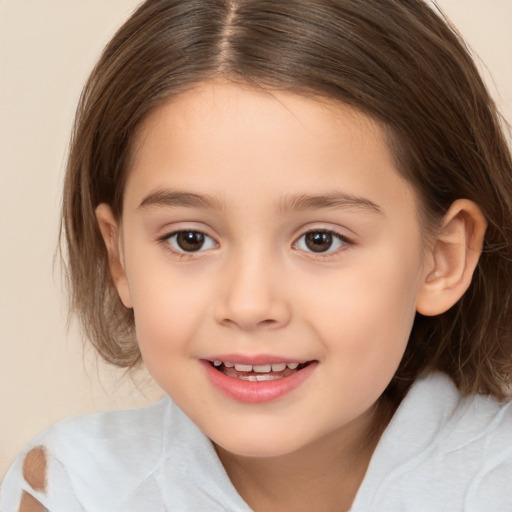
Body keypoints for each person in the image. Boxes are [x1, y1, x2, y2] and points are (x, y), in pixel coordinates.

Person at [1, 0, 511, 510]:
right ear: (119, 258)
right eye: (190, 239)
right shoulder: (72, 489)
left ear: (442, 258)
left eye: (320, 240)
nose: (248, 304)